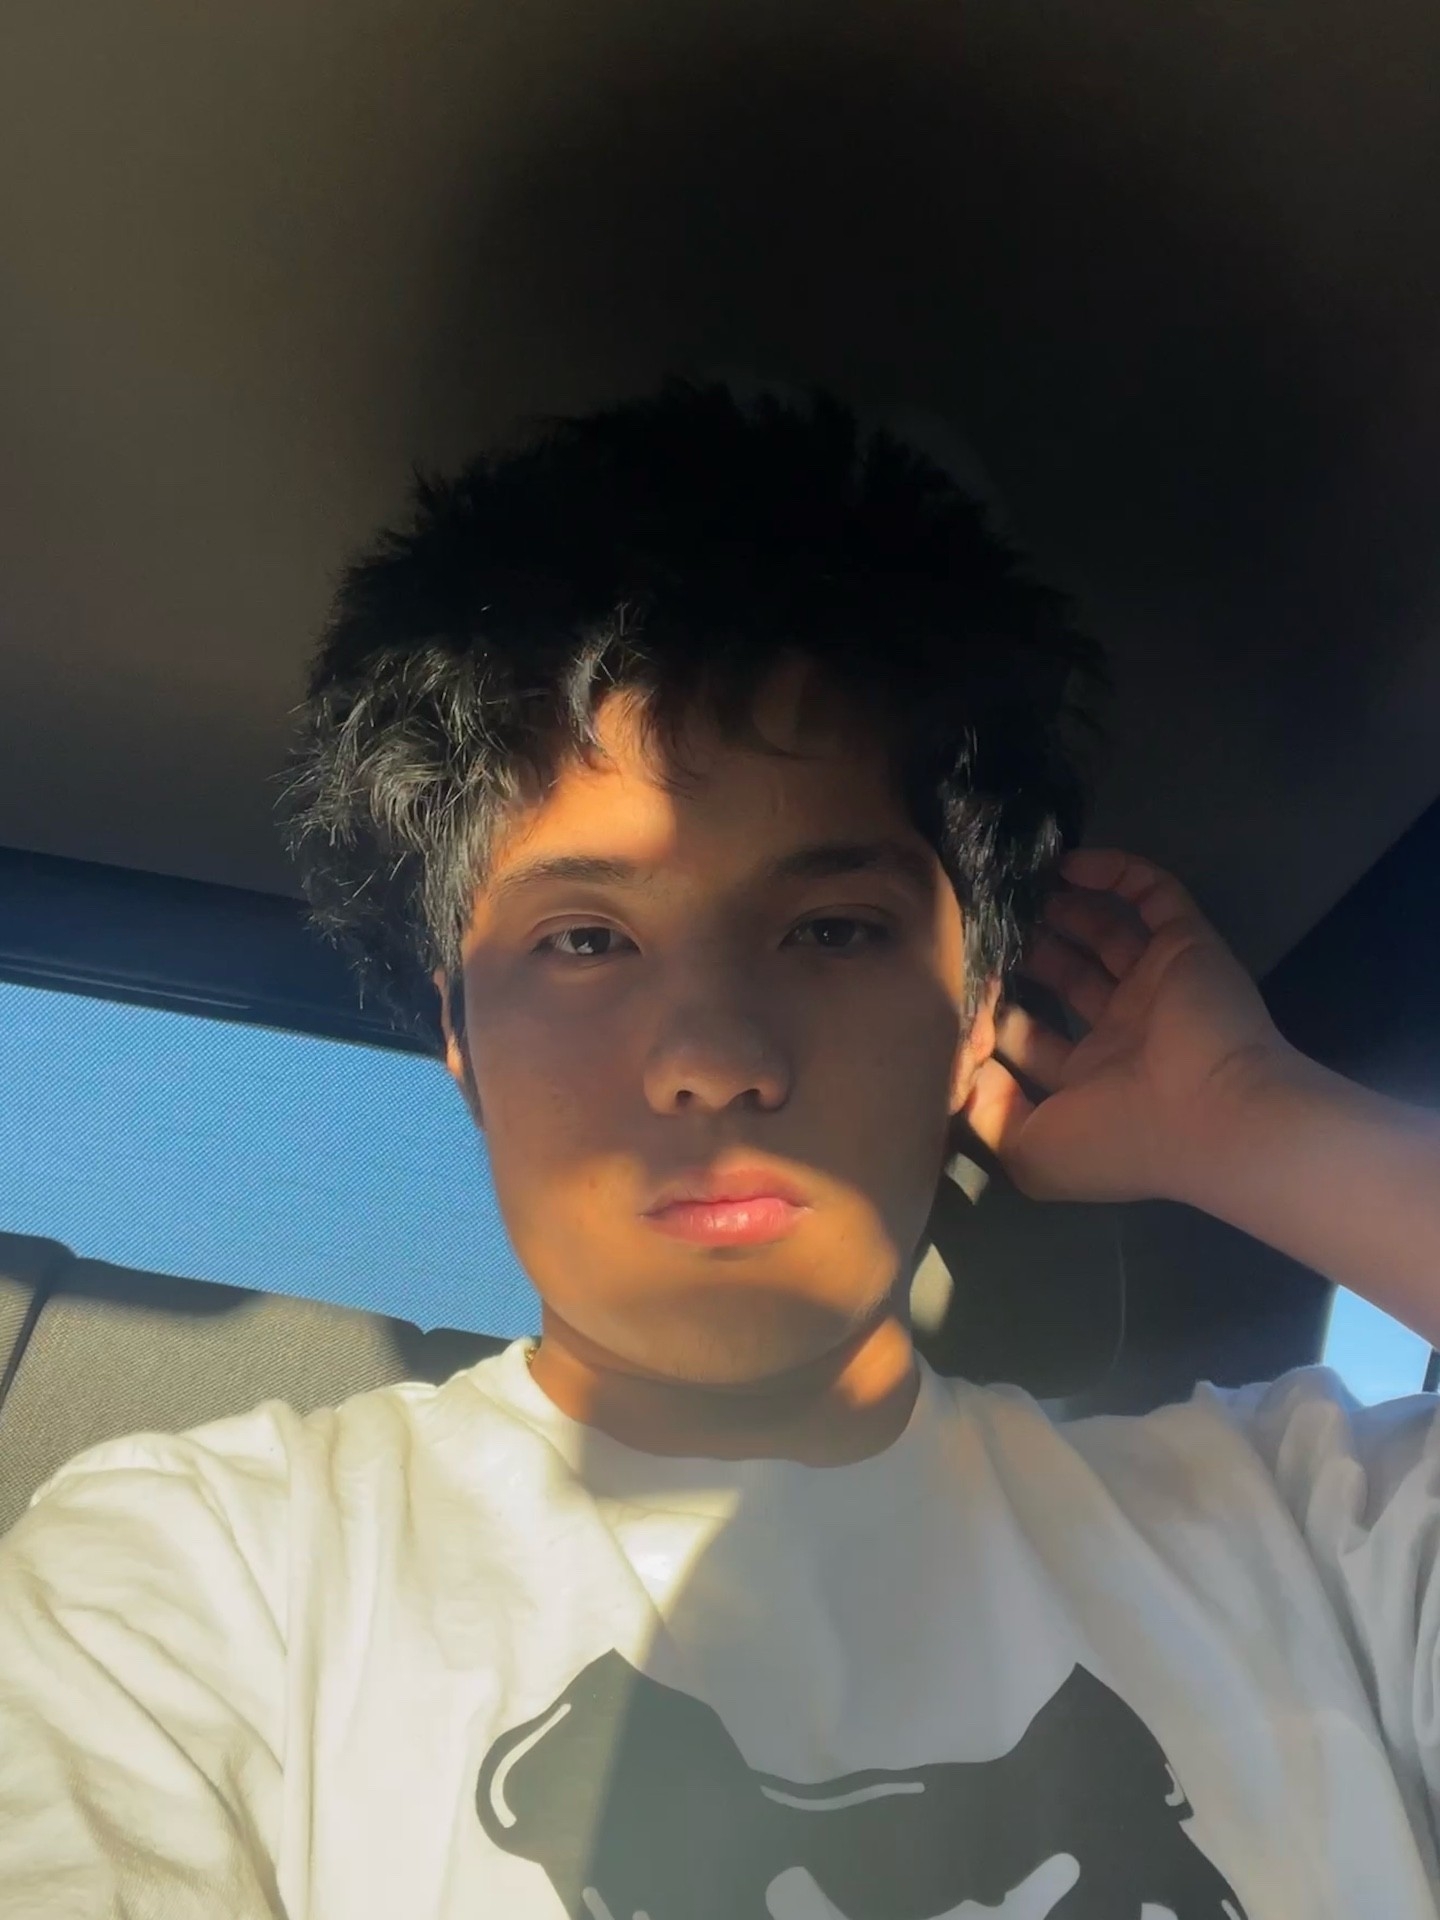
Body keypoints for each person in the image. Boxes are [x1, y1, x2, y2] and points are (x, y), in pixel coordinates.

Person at [1, 379, 1438, 1920]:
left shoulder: (1315, 1533)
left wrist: (1254, 1117)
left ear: (972, 1013)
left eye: (833, 929)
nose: (714, 1059)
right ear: (460, 1036)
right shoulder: (200, 1583)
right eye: (585, 939)